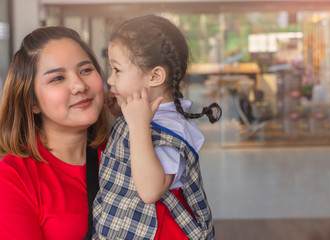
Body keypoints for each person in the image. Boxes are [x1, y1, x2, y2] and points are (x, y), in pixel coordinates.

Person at [92, 14, 221, 240]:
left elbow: (150, 190)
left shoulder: (170, 128)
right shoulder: (145, 118)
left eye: (117, 70)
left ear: (155, 76)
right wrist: (120, 115)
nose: (110, 80)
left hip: (157, 231)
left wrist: (138, 125)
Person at [0, 26, 109, 240]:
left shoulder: (129, 154)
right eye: (57, 78)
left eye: (86, 70)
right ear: (32, 102)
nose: (79, 85)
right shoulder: (12, 179)